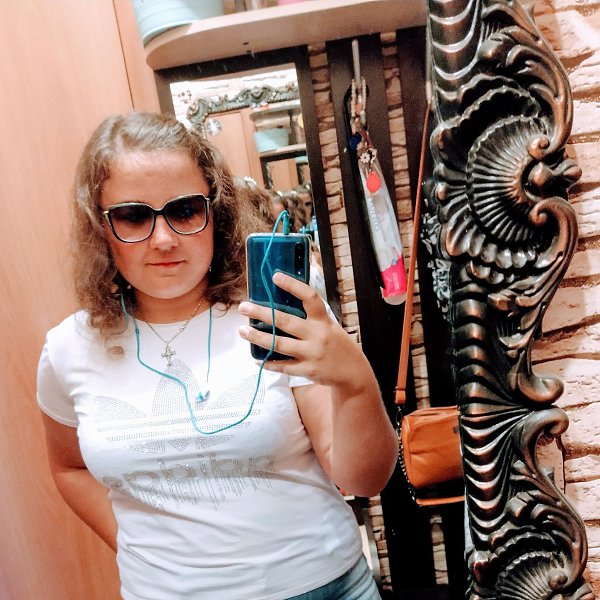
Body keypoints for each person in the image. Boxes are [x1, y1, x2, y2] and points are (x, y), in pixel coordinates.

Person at [37, 111, 398, 600]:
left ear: (216, 212)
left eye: (185, 210)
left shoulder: (277, 313)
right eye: (133, 216)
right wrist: (144, 554)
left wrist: (355, 381)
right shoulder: (68, 348)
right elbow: (69, 468)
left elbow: (363, 479)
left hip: (325, 586)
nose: (163, 239)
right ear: (100, 227)